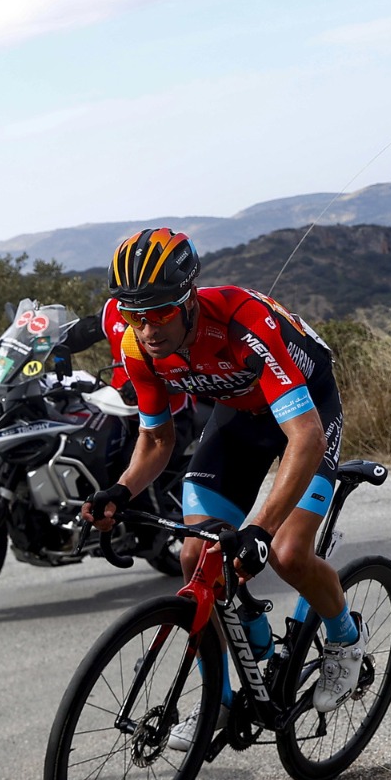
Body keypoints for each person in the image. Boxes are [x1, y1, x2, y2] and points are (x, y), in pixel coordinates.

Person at [82, 228, 360, 747]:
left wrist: (258, 527)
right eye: (135, 314)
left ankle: (346, 638)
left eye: (161, 312)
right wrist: (119, 492)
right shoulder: (136, 342)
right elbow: (157, 440)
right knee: (196, 560)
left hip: (308, 411)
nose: (148, 329)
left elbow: (304, 437)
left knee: (287, 551)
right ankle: (221, 699)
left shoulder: (241, 324)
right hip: (240, 416)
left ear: (188, 300)